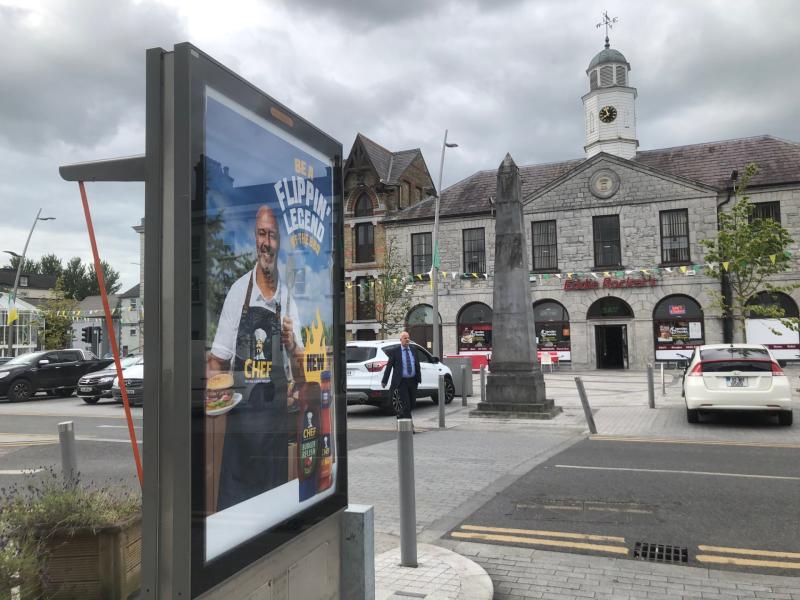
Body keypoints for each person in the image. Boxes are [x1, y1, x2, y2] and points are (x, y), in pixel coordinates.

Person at [207, 204, 305, 511]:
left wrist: (293, 348)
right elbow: (217, 362)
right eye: (262, 234)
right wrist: (216, 395)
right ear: (255, 238)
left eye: (273, 236)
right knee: (237, 511)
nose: (267, 242)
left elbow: (301, 375)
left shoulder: (288, 298)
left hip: (274, 433)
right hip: (241, 431)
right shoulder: (239, 293)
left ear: (279, 242)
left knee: (271, 512)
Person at [381, 331, 421, 420]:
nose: (407, 340)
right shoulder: (395, 351)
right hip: (401, 381)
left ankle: (401, 414)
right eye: (405, 338)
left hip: (413, 381)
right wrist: (384, 380)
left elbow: (416, 364)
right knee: (406, 403)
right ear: (401, 340)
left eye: (408, 338)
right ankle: (409, 426)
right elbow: (389, 366)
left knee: (412, 404)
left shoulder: (414, 349)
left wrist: (419, 377)